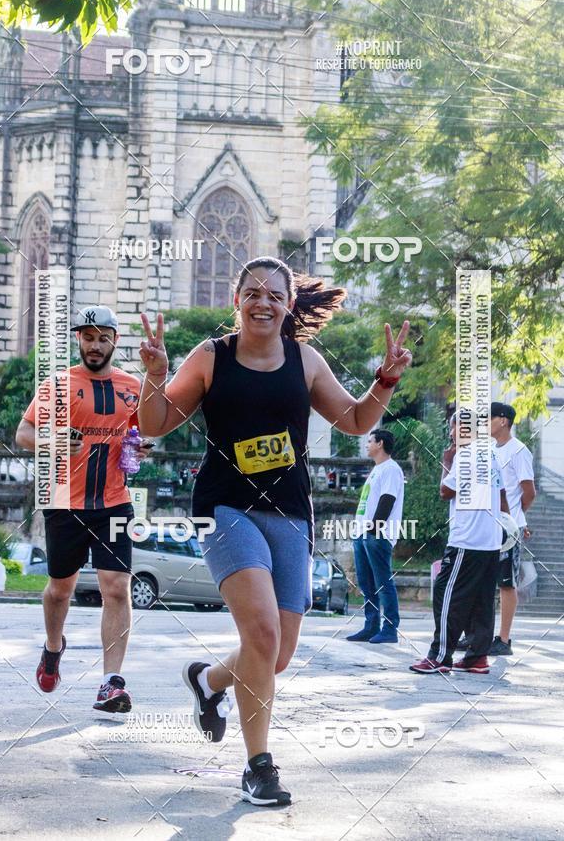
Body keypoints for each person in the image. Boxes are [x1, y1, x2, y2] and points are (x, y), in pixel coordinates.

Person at [137, 256, 412, 806]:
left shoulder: (304, 360)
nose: (263, 302)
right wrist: (155, 375)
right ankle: (258, 767)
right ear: (237, 300)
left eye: (275, 295)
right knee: (261, 635)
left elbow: (356, 421)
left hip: (289, 512)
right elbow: (153, 423)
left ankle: (209, 681)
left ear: (289, 305)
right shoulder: (211, 357)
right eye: (253, 293)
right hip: (225, 508)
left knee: (276, 655)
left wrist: (385, 379)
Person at [15, 306, 151, 711]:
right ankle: (53, 648)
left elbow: (137, 436)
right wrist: (54, 440)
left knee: (117, 587)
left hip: (114, 504)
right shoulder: (58, 385)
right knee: (61, 590)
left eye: (102, 337)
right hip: (65, 504)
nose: (95, 345)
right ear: (79, 339)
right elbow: (23, 433)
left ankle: (112, 683)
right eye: (88, 337)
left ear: (115, 341)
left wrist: (139, 448)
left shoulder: (132, 387)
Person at [410, 410, 509, 675]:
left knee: (446, 594)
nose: (451, 433)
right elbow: (502, 495)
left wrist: (447, 460)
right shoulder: (491, 454)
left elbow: (445, 491)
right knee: (481, 600)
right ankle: (477, 656)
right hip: (490, 540)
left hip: (467, 539)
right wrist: (508, 527)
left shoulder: (464, 455)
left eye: (453, 427)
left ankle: (439, 656)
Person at [346, 429, 404, 643]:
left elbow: (387, 500)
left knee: (382, 582)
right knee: (366, 583)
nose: (366, 444)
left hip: (377, 535)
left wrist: (373, 529)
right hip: (363, 534)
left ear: (380, 444)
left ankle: (390, 629)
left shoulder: (391, 469)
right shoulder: (377, 469)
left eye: (370, 441)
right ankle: (371, 626)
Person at [488, 402, 536, 655]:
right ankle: (478, 634)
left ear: (503, 420)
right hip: (487, 526)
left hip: (509, 529)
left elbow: (529, 491)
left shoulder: (519, 451)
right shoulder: (489, 449)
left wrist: (516, 519)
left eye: (489, 418)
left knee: (506, 583)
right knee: (483, 581)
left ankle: (504, 640)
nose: (485, 423)